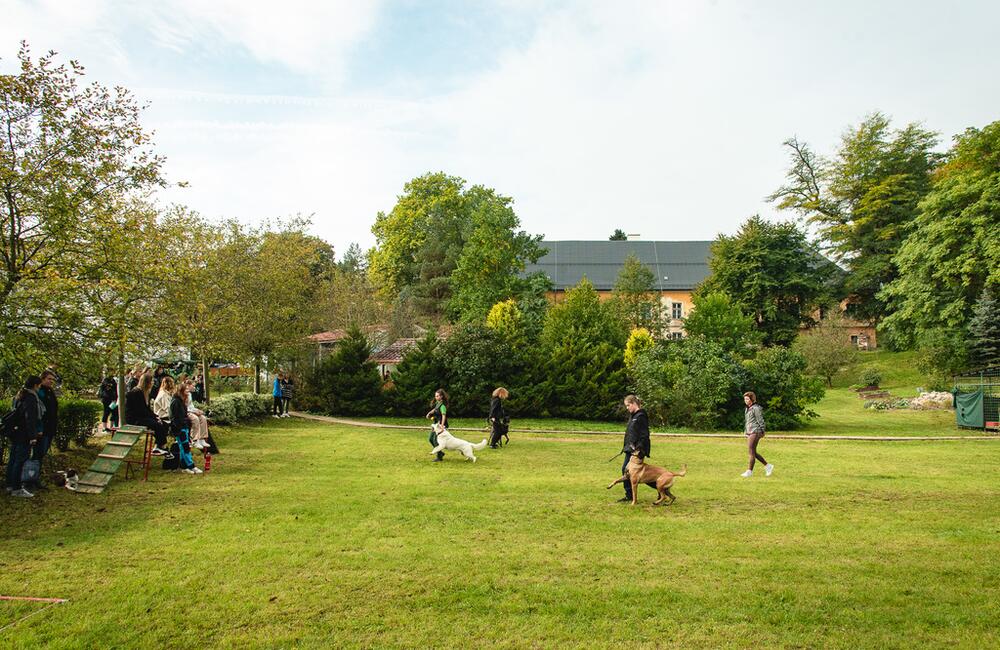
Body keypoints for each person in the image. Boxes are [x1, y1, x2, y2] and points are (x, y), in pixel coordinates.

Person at [5, 376, 43, 498]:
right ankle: (16, 488)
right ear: (35, 385)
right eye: (39, 385)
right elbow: (30, 419)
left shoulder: (20, 395)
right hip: (24, 434)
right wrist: (33, 436)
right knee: (20, 460)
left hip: (15, 432)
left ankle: (10, 484)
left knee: (13, 459)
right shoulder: (31, 398)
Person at [125, 372, 173, 458]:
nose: (152, 384)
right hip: (134, 418)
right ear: (147, 382)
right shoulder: (136, 392)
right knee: (157, 425)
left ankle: (158, 446)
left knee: (164, 424)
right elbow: (140, 410)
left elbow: (147, 409)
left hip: (142, 416)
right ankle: (162, 446)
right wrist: (154, 418)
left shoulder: (145, 393)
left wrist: (156, 416)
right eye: (151, 382)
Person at [617, 394, 651, 503]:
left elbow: (644, 434)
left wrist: (640, 448)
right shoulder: (633, 415)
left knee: (627, 470)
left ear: (634, 403)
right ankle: (629, 495)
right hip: (630, 449)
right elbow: (632, 433)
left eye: (628, 405)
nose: (627, 408)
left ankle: (629, 495)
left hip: (637, 450)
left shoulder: (641, 416)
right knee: (635, 473)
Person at [30, 369, 59, 489]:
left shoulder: (50, 391)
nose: (51, 381)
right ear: (42, 379)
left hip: (50, 428)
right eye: (49, 379)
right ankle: (31, 478)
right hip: (42, 429)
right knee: (37, 455)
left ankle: (35, 478)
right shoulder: (39, 392)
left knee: (42, 454)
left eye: (53, 379)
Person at [170, 382, 202, 474]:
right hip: (179, 428)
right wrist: (180, 428)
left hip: (184, 427)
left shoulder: (181, 401)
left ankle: (184, 466)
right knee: (185, 447)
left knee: (184, 447)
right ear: (181, 391)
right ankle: (191, 465)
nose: (188, 392)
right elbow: (175, 417)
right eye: (186, 390)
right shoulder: (176, 402)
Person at [741, 392, 773, 478]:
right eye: (745, 399)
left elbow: (760, 420)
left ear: (752, 399)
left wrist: (762, 431)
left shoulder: (756, 408)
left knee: (751, 451)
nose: (746, 401)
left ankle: (749, 471)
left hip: (756, 431)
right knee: (753, 452)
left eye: (747, 399)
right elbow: (748, 421)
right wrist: (746, 431)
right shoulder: (747, 409)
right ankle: (768, 466)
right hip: (750, 431)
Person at [425, 389, 449, 462]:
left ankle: (439, 456)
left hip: (440, 426)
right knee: (430, 439)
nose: (436, 397)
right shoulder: (437, 403)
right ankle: (440, 453)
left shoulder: (443, 406)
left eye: (437, 396)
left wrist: (442, 426)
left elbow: (444, 416)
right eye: (435, 396)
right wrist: (429, 413)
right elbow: (435, 409)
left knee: (436, 440)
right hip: (435, 424)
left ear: (441, 396)